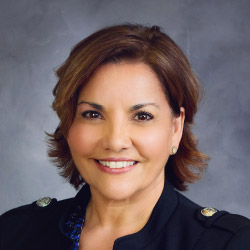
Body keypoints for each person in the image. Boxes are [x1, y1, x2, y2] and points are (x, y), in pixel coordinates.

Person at [0, 23, 250, 250]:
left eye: (142, 116)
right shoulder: (14, 233)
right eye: (92, 114)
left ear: (175, 129)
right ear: (67, 124)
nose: (115, 141)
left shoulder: (229, 243)